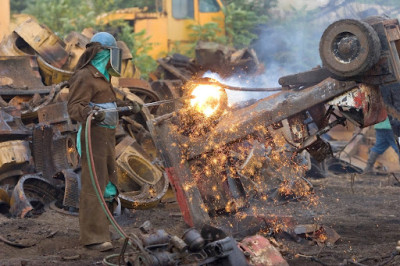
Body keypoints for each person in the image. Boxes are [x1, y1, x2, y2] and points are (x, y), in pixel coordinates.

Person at [67, 32, 141, 251]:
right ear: (104, 53)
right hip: (93, 136)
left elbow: (108, 103)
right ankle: (93, 237)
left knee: (108, 184)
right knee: (95, 184)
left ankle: (106, 230)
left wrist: (128, 107)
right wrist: (93, 113)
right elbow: (74, 108)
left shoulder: (104, 76)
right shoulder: (84, 76)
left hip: (107, 135)